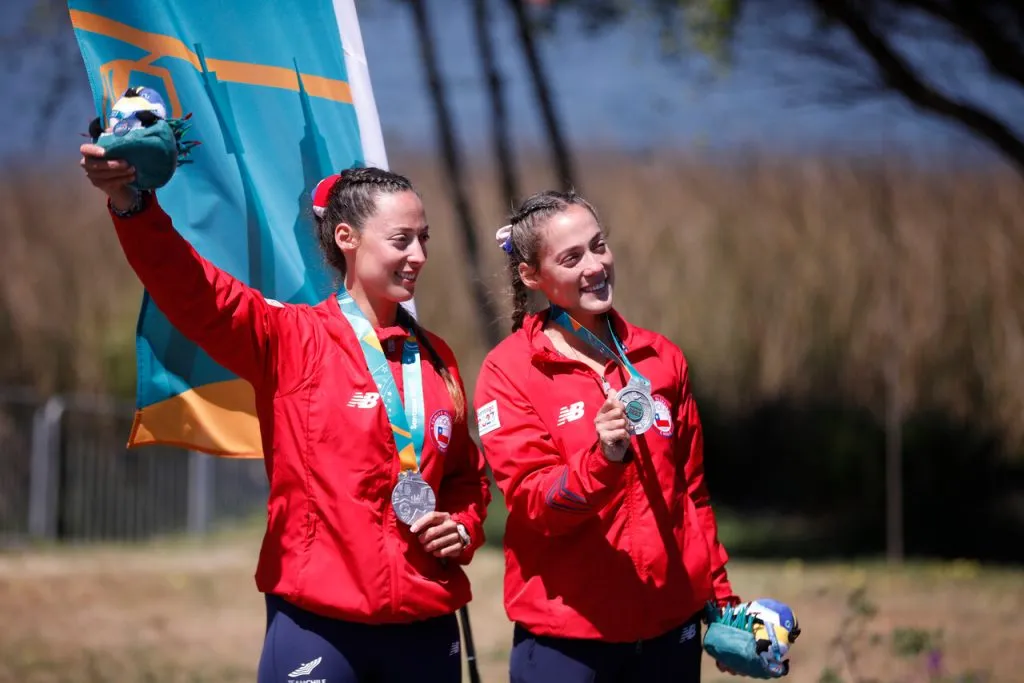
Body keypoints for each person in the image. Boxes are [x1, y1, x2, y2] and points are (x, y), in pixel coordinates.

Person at [79, 143, 491, 683]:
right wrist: (133, 206)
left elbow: (465, 476)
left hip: (425, 621)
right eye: (401, 240)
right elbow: (195, 291)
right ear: (347, 238)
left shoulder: (436, 358)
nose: (418, 255)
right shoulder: (291, 338)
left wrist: (460, 528)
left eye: (423, 239)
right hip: (319, 626)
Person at [473, 190, 740, 683]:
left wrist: (721, 603)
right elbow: (534, 504)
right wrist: (603, 459)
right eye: (572, 257)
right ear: (533, 276)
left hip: (669, 631)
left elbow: (692, 496)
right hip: (568, 639)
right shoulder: (508, 372)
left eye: (599, 246)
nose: (595, 265)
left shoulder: (661, 359)